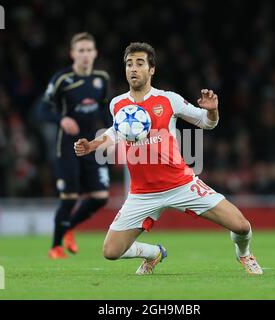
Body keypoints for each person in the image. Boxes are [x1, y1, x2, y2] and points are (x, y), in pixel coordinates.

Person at [74, 42, 263, 275]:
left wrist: (212, 110)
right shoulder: (118, 104)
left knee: (242, 226)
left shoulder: (168, 100)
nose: (133, 69)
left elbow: (206, 122)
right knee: (111, 251)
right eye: (129, 64)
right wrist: (92, 144)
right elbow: (115, 132)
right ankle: (154, 253)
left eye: (140, 64)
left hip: (181, 184)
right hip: (142, 193)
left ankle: (244, 254)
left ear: (151, 69)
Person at [38, 32, 112, 259]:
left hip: (92, 144)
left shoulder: (102, 79)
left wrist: (111, 137)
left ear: (95, 53)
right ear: (72, 54)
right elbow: (42, 109)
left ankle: (69, 227)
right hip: (68, 145)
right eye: (81, 50)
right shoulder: (62, 79)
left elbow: (107, 110)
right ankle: (55, 246)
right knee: (69, 198)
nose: (85, 55)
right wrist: (61, 119)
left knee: (100, 197)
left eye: (89, 50)